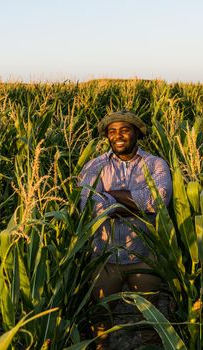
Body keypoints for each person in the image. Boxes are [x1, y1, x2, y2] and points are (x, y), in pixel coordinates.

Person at [78, 110, 172, 348]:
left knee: (150, 321)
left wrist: (111, 198)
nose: (117, 136)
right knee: (100, 321)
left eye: (124, 130)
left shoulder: (155, 164)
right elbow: (91, 206)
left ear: (137, 133)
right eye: (112, 131)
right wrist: (137, 204)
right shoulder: (95, 166)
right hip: (104, 258)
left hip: (145, 257)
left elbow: (159, 200)